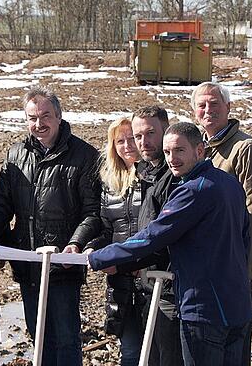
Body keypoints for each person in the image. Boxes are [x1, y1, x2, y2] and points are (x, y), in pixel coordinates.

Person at [88, 122, 252, 366]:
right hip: (238, 304)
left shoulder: (192, 191)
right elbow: (245, 236)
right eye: (167, 152)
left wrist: (102, 257)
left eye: (179, 151)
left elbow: (153, 236)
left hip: (203, 309)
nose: (172, 159)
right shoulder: (229, 183)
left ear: (200, 151)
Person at [0, 86, 101, 366]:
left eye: (45, 116)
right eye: (32, 117)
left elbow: (92, 212)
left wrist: (75, 244)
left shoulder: (83, 156)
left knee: (67, 338)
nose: (39, 124)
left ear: (59, 116)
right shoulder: (16, 154)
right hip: (28, 262)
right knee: (39, 336)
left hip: (62, 264)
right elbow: (1, 203)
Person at [87, 107, 183, 366]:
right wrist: (91, 247)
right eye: (127, 139)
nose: (137, 144)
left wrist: (124, 262)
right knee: (133, 352)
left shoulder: (165, 177)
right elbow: (107, 228)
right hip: (125, 281)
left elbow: (160, 235)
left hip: (160, 281)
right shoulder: (112, 183)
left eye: (144, 135)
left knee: (163, 354)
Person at [191, 82, 252, 365]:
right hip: (208, 273)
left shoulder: (245, 149)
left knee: (233, 352)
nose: (208, 110)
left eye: (215, 104)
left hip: (237, 275)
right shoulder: (197, 149)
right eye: (202, 105)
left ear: (228, 108)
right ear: (193, 111)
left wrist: (247, 271)